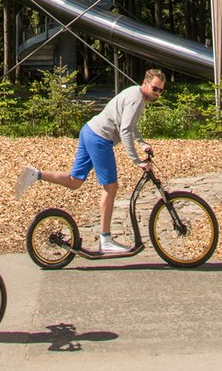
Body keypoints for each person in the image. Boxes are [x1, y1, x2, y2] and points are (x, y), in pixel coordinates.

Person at [15, 69, 166, 254]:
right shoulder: (136, 99)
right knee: (111, 187)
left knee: (75, 181)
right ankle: (105, 240)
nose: (157, 93)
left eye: (160, 91)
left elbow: (130, 125)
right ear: (145, 82)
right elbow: (125, 130)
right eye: (155, 88)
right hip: (100, 138)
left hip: (88, 130)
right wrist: (136, 161)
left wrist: (142, 144)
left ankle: (35, 174)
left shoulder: (136, 95)